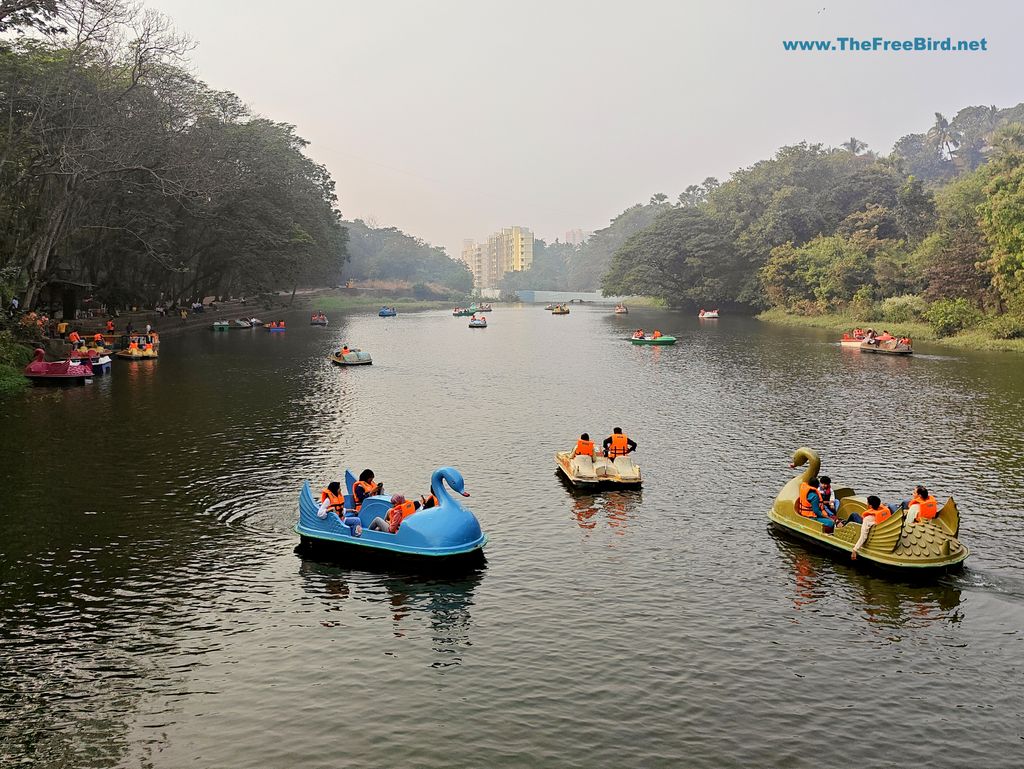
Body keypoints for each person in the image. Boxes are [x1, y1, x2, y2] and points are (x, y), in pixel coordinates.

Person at [849, 496, 892, 560]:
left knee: (854, 515)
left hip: (867, 524)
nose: (867, 504)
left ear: (871, 506)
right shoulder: (886, 511)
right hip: (878, 526)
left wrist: (855, 550)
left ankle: (841, 525)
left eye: (867, 503)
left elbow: (863, 536)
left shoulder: (867, 519)